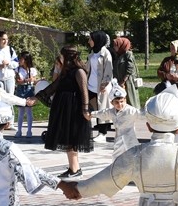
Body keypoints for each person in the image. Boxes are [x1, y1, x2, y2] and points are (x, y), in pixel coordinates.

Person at [37, 45, 92, 178]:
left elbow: (84, 91)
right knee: (68, 139)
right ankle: (74, 168)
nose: (60, 57)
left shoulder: (79, 71)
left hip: (73, 109)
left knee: (71, 138)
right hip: (65, 108)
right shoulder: (66, 71)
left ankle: (74, 170)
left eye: (62, 55)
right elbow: (54, 86)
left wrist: (85, 109)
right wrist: (38, 96)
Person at [90, 85, 142, 156]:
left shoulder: (130, 110)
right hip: (118, 141)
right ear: (112, 103)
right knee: (116, 159)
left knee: (134, 158)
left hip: (130, 140)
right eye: (117, 102)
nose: (120, 104)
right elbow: (103, 113)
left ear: (125, 100)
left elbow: (142, 114)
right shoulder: (112, 111)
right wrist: (91, 114)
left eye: (121, 101)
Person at [87, 31, 114, 136]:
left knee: (102, 109)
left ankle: (102, 134)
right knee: (86, 106)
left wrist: (105, 83)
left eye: (90, 39)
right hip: (90, 85)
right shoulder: (92, 53)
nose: (89, 41)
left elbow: (108, 70)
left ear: (97, 40)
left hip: (101, 86)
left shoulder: (106, 53)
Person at [13, 51, 39, 138]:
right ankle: (19, 131)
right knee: (20, 112)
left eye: (21, 58)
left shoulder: (32, 70)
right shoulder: (18, 69)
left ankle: (29, 131)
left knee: (29, 111)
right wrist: (27, 80)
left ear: (26, 60)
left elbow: (34, 80)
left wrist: (35, 80)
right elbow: (18, 81)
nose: (19, 60)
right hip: (21, 90)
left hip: (29, 90)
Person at [111, 36, 140, 109]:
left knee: (131, 100)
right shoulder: (118, 55)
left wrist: (123, 80)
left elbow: (130, 68)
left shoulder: (128, 54)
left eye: (116, 45)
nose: (114, 47)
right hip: (120, 82)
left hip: (128, 82)